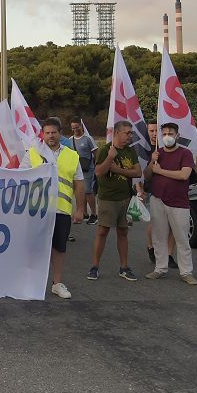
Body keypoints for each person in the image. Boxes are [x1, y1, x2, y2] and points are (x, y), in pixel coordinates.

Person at [28, 117, 85, 299]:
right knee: (36, 247)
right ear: (42, 134)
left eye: (54, 132)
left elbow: (79, 184)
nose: (50, 136)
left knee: (59, 248)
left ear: (60, 133)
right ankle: (32, 284)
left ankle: (57, 283)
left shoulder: (71, 155)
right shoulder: (32, 153)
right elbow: (21, 178)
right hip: (38, 210)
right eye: (47, 133)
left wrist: (80, 209)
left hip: (61, 210)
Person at [87, 120, 142, 282]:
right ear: (117, 133)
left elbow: (138, 172)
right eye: (127, 133)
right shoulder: (105, 150)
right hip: (108, 198)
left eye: (131, 133)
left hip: (125, 197)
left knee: (123, 232)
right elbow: (99, 172)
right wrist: (110, 158)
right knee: (102, 231)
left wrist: (117, 169)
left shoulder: (130, 151)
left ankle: (124, 267)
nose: (130, 136)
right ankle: (94, 266)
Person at [144, 123, 197, 285]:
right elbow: (146, 176)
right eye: (165, 133)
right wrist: (151, 164)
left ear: (177, 135)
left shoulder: (185, 153)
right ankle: (160, 268)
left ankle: (186, 272)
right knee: (158, 236)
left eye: (171, 133)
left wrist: (160, 171)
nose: (167, 136)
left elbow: (184, 175)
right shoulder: (157, 153)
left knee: (182, 238)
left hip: (178, 202)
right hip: (157, 199)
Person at [68, 119, 98, 224]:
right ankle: (84, 213)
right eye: (73, 127)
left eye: (77, 127)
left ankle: (94, 214)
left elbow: (95, 153)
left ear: (81, 126)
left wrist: (97, 166)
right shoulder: (70, 139)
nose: (75, 129)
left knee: (88, 191)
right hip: (76, 169)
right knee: (80, 191)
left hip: (87, 168)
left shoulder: (88, 139)